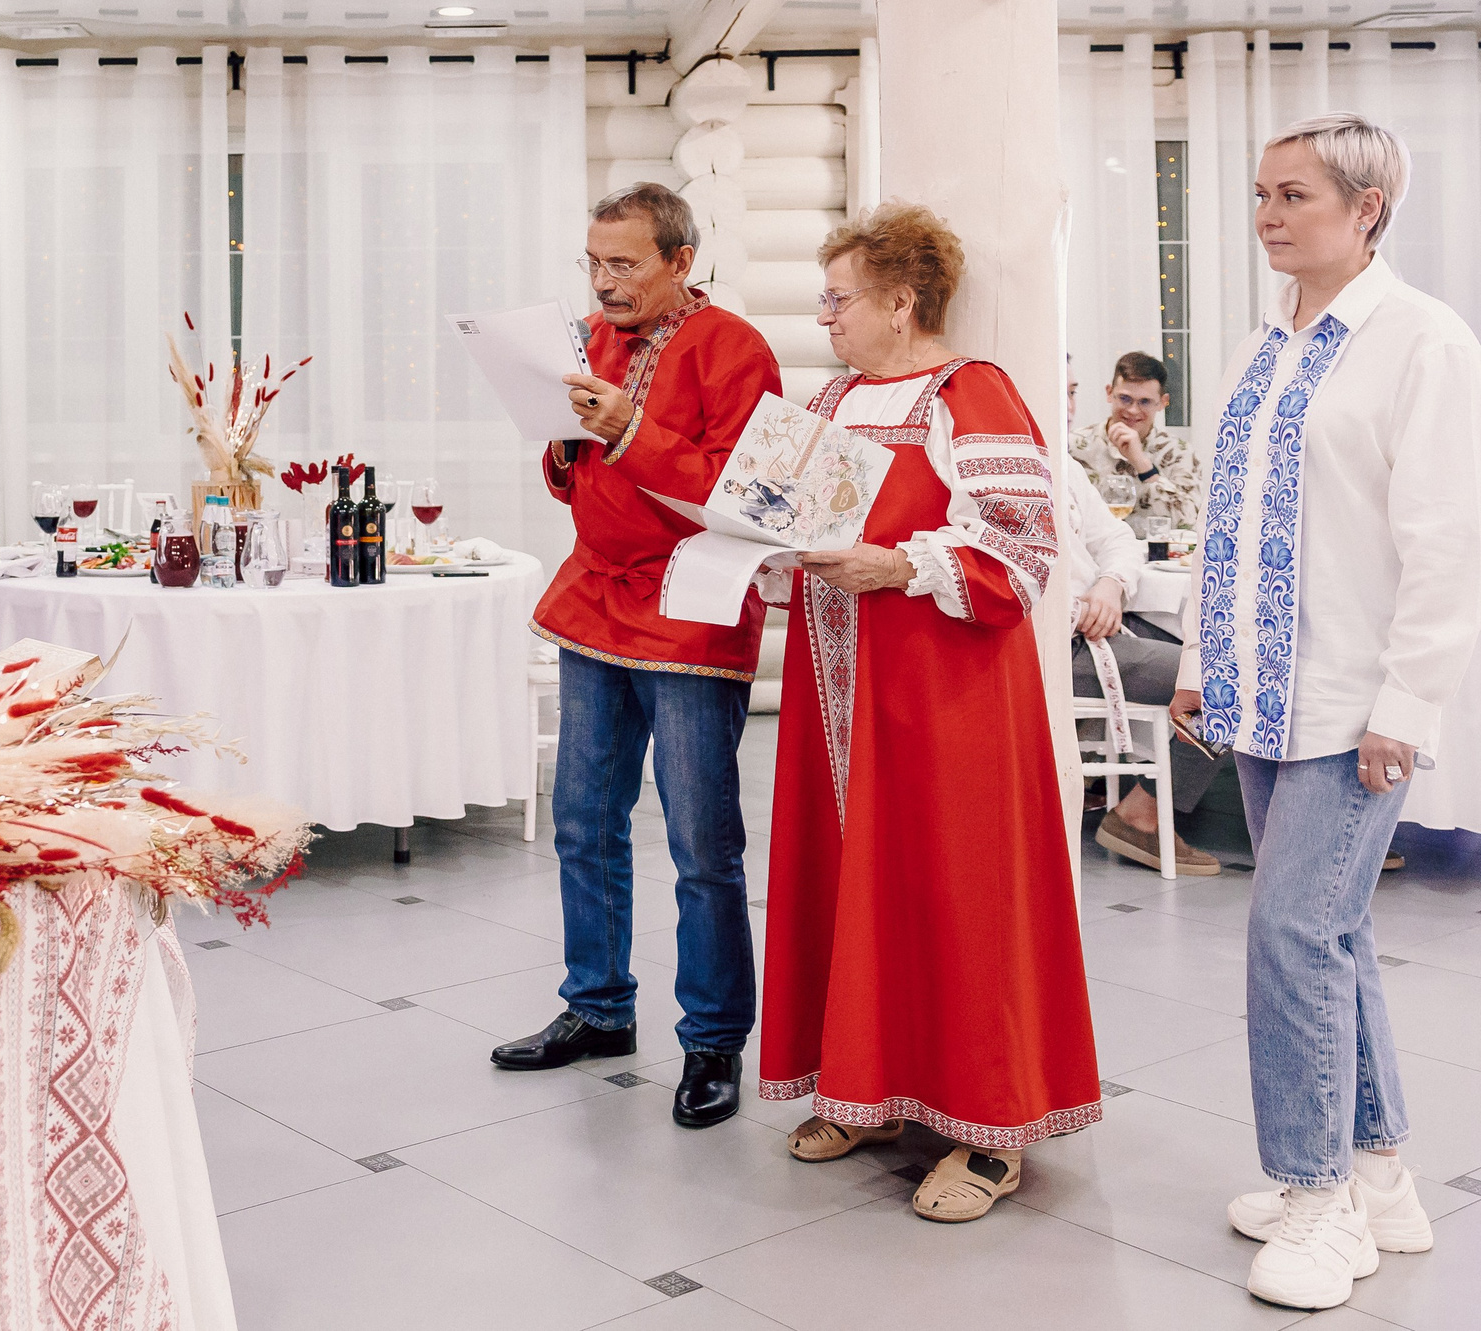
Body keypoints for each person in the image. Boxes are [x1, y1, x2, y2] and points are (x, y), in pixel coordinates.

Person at [1165, 115, 1481, 1310]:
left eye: (1293, 194)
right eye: (1259, 194)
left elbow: (1446, 540)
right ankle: (1379, 1174)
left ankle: (1314, 1197)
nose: (1267, 214)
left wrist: (1409, 702)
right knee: (1330, 934)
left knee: (1288, 934)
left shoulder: (1421, 341)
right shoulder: (1264, 343)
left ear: (1368, 209)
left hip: (1356, 704)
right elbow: (1228, 519)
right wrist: (1200, 654)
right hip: (1258, 688)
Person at [759, 204, 1100, 1224]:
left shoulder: (973, 391)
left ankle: (983, 1130)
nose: (826, 317)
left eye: (839, 297)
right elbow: (786, 510)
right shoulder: (829, 395)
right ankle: (865, 1090)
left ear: (900, 301)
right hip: (839, 691)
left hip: (944, 696)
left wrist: (901, 564)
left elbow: (1023, 547)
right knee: (853, 887)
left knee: (957, 895)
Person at [487, 183, 782, 1132]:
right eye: (594, 261)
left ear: (680, 261)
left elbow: (745, 494)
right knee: (583, 818)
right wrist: (568, 440)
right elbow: (571, 472)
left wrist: (624, 427)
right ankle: (600, 1006)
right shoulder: (589, 338)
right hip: (597, 596)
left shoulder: (735, 348)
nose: (604, 283)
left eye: (625, 264)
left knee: (702, 842)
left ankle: (712, 1041)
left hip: (690, 609)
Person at [1064, 367, 1225, 876]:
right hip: (1059, 643)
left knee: (1219, 652)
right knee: (1221, 678)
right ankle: (1143, 816)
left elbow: (1125, 538)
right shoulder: (1065, 450)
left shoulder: (1058, 464)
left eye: (1071, 392)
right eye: (1064, 392)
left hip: (1115, 608)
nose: (1069, 406)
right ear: (1108, 393)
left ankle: (1145, 800)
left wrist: (1110, 582)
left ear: (1163, 404)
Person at [1068, 351, 1201, 536]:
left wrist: (1143, 465)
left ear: (1163, 402)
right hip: (1095, 559)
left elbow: (1190, 521)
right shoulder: (1073, 446)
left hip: (1158, 560)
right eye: (1125, 398)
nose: (1132, 410)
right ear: (1109, 393)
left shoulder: (1179, 452)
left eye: (1144, 402)